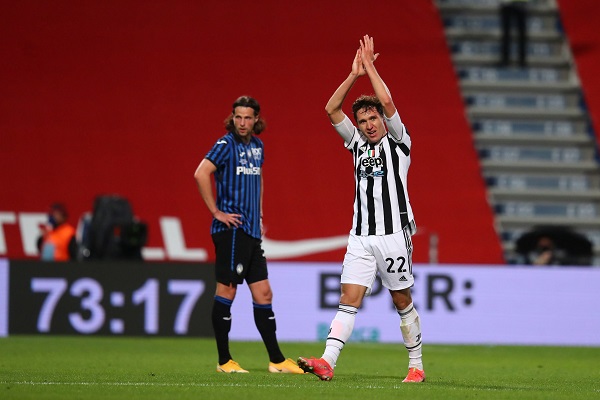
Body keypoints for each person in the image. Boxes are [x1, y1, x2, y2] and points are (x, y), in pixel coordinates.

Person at [298, 35, 425, 383]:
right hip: (360, 236)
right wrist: (353, 74)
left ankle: (416, 366)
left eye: (373, 118)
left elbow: (387, 99)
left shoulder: (399, 143)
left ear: (383, 120)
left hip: (393, 235)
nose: (369, 124)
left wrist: (370, 67)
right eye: (363, 120)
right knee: (347, 298)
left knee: (402, 301)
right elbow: (330, 110)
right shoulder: (355, 144)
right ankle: (327, 361)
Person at [193, 96, 304, 374]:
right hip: (231, 231)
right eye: (238, 117)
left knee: (264, 294)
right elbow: (201, 173)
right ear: (232, 118)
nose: (242, 123)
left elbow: (259, 178)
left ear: (256, 120)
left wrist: (260, 211)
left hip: (251, 232)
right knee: (227, 290)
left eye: (247, 117)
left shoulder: (257, 146)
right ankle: (224, 361)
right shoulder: (225, 145)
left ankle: (277, 361)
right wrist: (216, 211)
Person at [499, 0, 529, 68]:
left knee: (521, 34)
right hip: (507, 3)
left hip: (521, 4)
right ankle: (505, 60)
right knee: (506, 33)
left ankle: (522, 60)